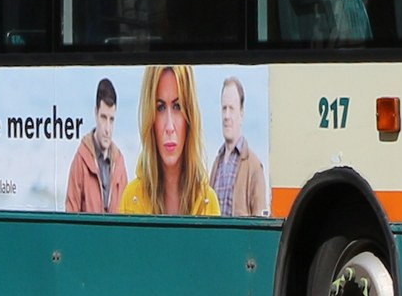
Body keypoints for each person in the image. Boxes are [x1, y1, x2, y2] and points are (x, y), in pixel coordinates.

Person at [120, 64, 215, 216]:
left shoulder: (208, 202)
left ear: (190, 117)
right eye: (160, 107)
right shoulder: (132, 199)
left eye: (177, 106)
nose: (169, 127)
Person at [208, 75, 271, 219]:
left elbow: (260, 221)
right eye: (224, 108)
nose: (226, 116)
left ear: (241, 114)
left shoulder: (254, 166)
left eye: (231, 109)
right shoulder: (216, 163)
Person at [64, 78, 122, 214]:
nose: (107, 128)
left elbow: (127, 216)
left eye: (111, 119)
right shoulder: (81, 160)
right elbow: (70, 215)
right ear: (96, 113)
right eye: (103, 117)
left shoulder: (120, 163)